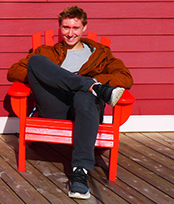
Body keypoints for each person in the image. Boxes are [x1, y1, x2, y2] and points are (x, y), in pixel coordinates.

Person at [7, 6, 133, 200]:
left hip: (85, 107)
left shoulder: (100, 53)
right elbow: (14, 71)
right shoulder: (47, 52)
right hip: (55, 105)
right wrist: (60, 79)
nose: (70, 33)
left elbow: (125, 78)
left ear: (84, 28)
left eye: (75, 27)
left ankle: (80, 173)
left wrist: (92, 80)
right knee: (35, 62)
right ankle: (93, 87)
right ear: (60, 28)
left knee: (84, 95)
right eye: (66, 27)